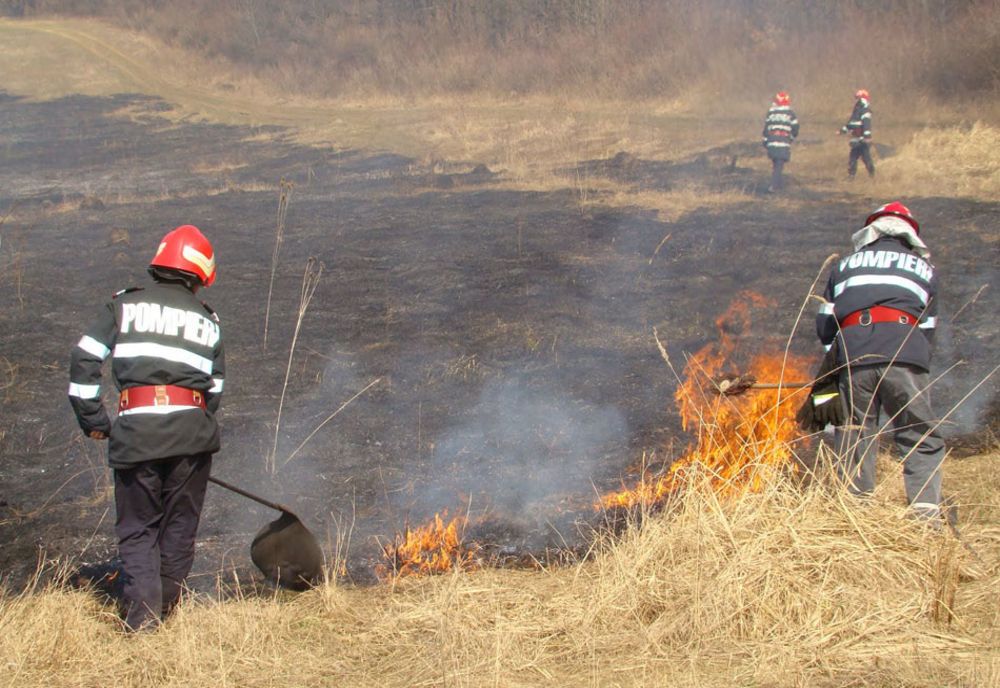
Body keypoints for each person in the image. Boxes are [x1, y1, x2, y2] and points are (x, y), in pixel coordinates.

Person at [68, 225, 225, 631]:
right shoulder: (209, 322)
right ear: (200, 274)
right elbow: (215, 389)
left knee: (139, 530)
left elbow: (85, 359)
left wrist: (95, 421)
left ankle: (144, 623)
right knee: (179, 527)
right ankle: (167, 610)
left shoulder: (123, 306)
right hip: (193, 436)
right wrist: (193, 430)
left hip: (136, 435)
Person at [811, 202, 944, 520]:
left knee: (855, 431)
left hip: (854, 354)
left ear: (870, 232)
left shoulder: (844, 265)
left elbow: (826, 321)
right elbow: (927, 328)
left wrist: (839, 362)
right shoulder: (924, 268)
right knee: (918, 432)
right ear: (909, 235)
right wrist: (914, 359)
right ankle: (925, 516)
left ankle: (855, 514)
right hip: (905, 352)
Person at [761, 91, 800, 192]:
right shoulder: (790, 113)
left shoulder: (771, 112)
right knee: (779, 163)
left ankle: (777, 183)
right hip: (783, 141)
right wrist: (791, 137)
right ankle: (774, 186)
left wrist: (765, 140)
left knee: (776, 162)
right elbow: (795, 128)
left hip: (771, 140)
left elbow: (766, 128)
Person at [840, 89, 875, 178]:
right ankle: (852, 176)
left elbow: (866, 123)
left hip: (862, 138)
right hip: (856, 138)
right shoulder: (857, 109)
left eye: (857, 98)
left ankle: (872, 174)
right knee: (853, 157)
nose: (856, 100)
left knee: (865, 157)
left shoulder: (864, 109)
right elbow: (851, 123)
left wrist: (867, 136)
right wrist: (842, 131)